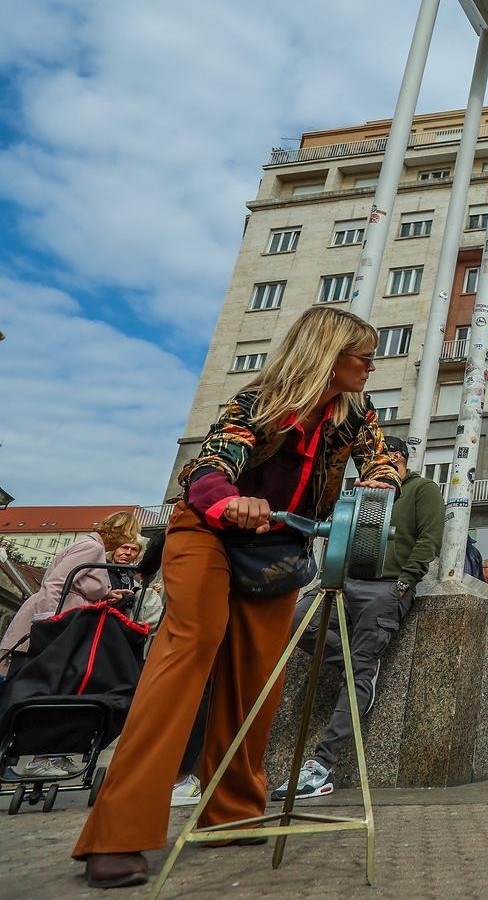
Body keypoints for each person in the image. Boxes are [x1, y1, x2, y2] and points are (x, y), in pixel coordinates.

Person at [71, 306, 399, 889]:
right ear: (329, 355)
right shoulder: (258, 400)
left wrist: (377, 484)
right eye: (364, 356)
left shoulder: (354, 412)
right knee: (188, 651)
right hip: (209, 532)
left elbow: (386, 456)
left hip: (279, 546)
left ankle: (232, 811)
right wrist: (229, 500)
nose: (372, 366)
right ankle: (117, 832)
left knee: (257, 676)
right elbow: (210, 465)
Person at [275, 435, 442, 800]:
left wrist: (404, 582)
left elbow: (429, 539)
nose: (367, 467)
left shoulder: (422, 489)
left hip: (385, 587)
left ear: (394, 457)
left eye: (374, 458)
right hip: (342, 580)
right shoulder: (360, 490)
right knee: (297, 622)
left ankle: (322, 765)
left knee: (358, 677)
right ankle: (356, 668)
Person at [2, 511, 141, 662]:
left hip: (63, 619)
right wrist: (50, 622)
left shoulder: (92, 545)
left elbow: (76, 582)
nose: (126, 544)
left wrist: (106, 594)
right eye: (129, 537)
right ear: (121, 533)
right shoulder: (92, 547)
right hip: (56, 621)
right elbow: (56, 583)